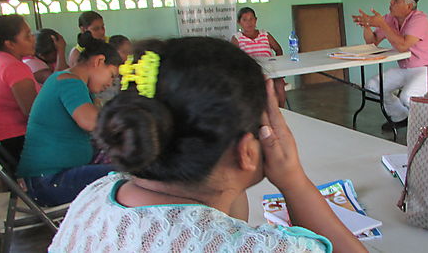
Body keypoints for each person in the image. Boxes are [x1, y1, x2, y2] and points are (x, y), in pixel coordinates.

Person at [49, 37, 366, 253]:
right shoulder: (251, 248)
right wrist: (293, 178)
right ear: (247, 150)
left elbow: (228, 212)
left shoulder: (95, 197)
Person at [16, 32, 122, 206]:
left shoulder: (69, 80)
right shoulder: (70, 82)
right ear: (99, 61)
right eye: (111, 75)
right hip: (49, 181)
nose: (110, 83)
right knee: (129, 177)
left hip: (48, 177)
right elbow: (90, 122)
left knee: (122, 160)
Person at [352, 0, 428, 130]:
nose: (391, 2)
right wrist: (367, 26)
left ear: (408, 6)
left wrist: (382, 24)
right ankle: (401, 116)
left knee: (407, 96)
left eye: (396, 0)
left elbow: (403, 45)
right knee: (373, 87)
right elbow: (372, 42)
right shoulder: (389, 19)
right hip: (406, 68)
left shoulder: (419, 19)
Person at [0, 14, 39, 162]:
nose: (33, 39)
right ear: (10, 44)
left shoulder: (1, 61)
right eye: (27, 36)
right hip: (13, 142)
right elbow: (33, 113)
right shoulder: (14, 67)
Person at [231, 7, 287, 107]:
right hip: (250, 73)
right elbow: (233, 57)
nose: (249, 23)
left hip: (269, 70)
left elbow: (278, 49)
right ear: (239, 22)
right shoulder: (237, 38)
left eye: (251, 19)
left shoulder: (265, 35)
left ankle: (281, 111)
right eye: (245, 20)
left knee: (279, 84)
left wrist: (276, 63)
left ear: (256, 20)